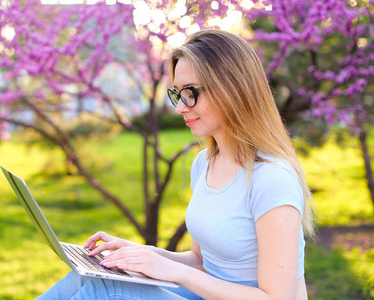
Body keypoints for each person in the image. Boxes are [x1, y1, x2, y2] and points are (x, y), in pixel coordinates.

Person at [36, 29, 316, 300]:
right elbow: (201, 261)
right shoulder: (205, 163)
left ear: (232, 88)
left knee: (106, 292)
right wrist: (142, 254)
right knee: (90, 276)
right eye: (177, 94)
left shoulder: (272, 179)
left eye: (191, 93)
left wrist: (171, 271)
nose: (181, 107)